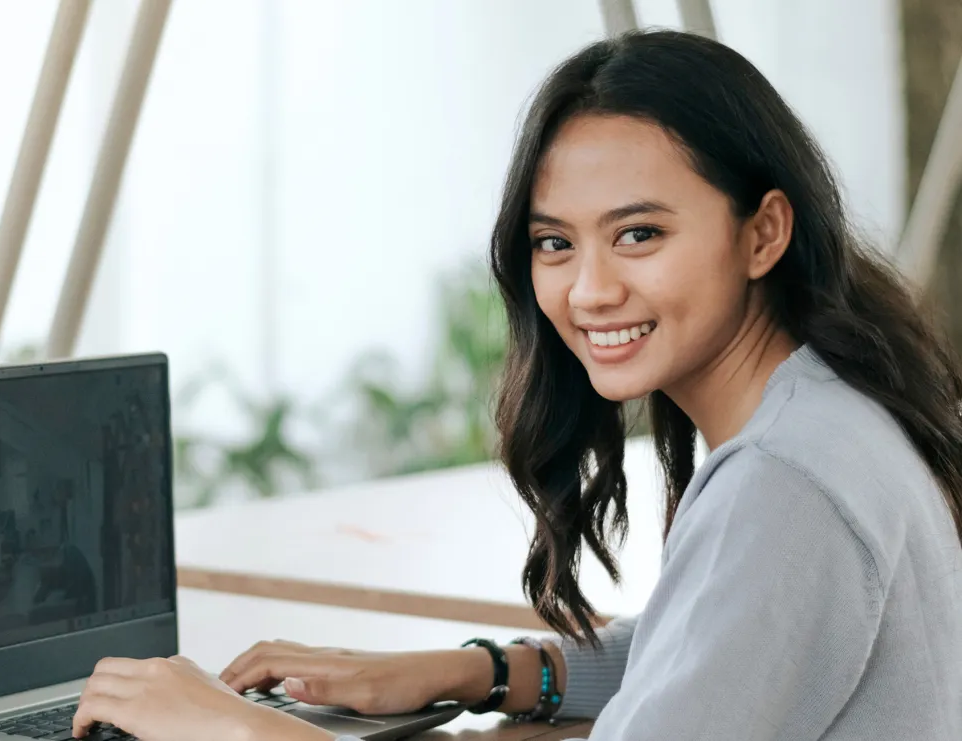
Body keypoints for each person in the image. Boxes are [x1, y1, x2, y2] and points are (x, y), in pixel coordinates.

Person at [69, 29, 962, 741]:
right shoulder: (829, 412)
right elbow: (699, 656)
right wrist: (472, 672)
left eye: (640, 233)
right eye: (554, 242)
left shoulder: (786, 485)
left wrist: (231, 728)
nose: (590, 288)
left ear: (762, 233)